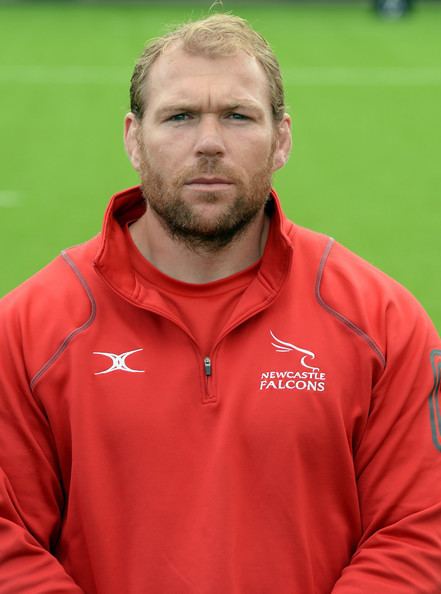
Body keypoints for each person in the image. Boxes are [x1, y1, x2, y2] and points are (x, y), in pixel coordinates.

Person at [0, 13, 440, 594]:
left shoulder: (381, 320)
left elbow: (416, 530)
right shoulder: (30, 326)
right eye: (180, 116)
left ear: (281, 138)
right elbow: (11, 544)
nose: (209, 143)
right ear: (134, 138)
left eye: (238, 116)